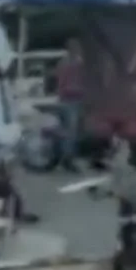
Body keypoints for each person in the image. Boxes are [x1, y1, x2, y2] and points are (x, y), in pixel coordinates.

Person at [54, 37, 85, 170]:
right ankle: (67, 158)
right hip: (69, 100)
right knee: (70, 131)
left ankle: (66, 156)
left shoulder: (73, 62)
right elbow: (63, 82)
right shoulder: (70, 63)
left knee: (69, 130)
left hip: (72, 99)